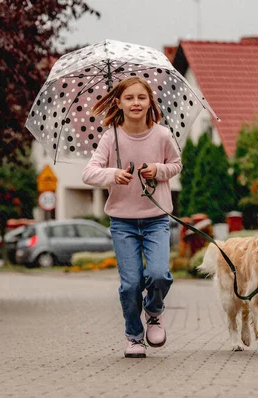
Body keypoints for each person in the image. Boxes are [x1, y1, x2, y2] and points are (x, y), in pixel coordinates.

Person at [82, 76, 182, 358]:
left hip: (156, 219)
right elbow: (89, 173)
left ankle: (153, 311)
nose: (135, 103)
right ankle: (134, 337)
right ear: (119, 103)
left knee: (158, 275)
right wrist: (112, 174)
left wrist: (157, 169)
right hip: (123, 222)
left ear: (150, 101)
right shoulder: (111, 137)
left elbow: (176, 165)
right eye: (129, 98)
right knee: (131, 284)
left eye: (141, 97)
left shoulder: (162, 135)